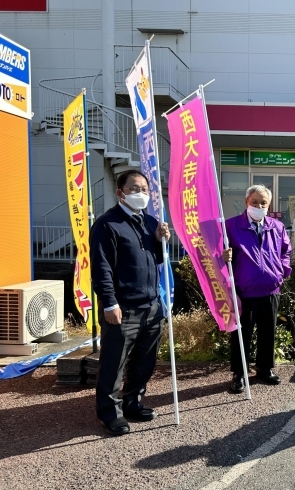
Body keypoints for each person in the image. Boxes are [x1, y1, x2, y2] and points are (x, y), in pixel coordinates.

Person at [90, 170, 170, 437]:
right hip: (123, 307)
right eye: (135, 189)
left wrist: (160, 241)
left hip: (151, 304)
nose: (141, 194)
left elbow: (156, 260)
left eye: (145, 190)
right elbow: (101, 269)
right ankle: (110, 413)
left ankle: (133, 401)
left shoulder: (149, 222)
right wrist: (109, 303)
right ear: (120, 192)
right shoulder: (107, 224)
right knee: (114, 363)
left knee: (145, 361)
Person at [222, 185, 292, 393]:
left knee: (267, 332)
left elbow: (286, 251)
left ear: (269, 205)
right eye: (255, 202)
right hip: (244, 291)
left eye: (263, 203)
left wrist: (282, 272)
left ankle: (264, 368)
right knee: (241, 334)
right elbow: (217, 254)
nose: (259, 206)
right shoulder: (231, 226)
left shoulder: (276, 226)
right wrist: (224, 257)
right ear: (246, 203)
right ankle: (239, 373)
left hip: (270, 289)